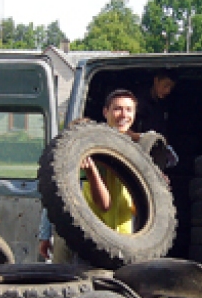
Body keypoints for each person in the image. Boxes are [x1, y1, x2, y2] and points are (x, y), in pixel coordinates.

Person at [37, 91, 138, 261]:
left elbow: (138, 204)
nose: (124, 114)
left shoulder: (136, 152)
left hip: (123, 236)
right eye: (118, 109)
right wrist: (44, 233)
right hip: (87, 236)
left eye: (129, 109)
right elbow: (56, 195)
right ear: (105, 112)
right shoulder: (93, 150)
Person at [131, 70, 175, 139]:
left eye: (171, 88)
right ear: (156, 81)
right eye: (165, 85)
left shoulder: (163, 105)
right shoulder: (138, 101)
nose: (168, 91)